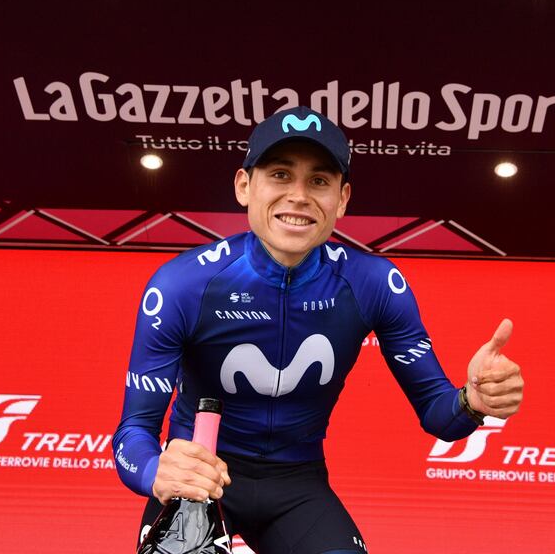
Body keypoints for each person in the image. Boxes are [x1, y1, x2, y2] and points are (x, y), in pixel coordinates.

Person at [113, 106, 524, 553]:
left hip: (298, 486)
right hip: (200, 480)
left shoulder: (375, 285)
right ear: (244, 187)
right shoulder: (182, 286)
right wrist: (157, 471)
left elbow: (439, 414)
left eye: (319, 181)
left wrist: (474, 402)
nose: (299, 196)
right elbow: (133, 431)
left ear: (342, 199)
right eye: (280, 175)